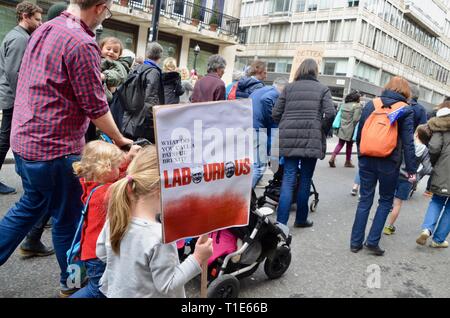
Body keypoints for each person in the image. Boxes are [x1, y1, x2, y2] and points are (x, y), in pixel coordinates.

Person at [0, 0, 133, 298]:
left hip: (25, 141)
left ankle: (67, 278)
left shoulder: (45, 28)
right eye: (108, 11)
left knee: (29, 206)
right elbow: (96, 106)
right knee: (69, 222)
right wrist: (121, 140)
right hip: (55, 148)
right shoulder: (82, 42)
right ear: (99, 7)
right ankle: (71, 284)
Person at [96, 146, 213, 297]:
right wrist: (197, 258)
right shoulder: (160, 236)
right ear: (161, 189)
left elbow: (101, 252)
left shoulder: (117, 217)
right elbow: (168, 285)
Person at [350, 76, 416, 256]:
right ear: (405, 92)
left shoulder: (372, 104)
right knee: (385, 201)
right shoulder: (405, 110)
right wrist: (411, 169)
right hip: (389, 161)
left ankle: (355, 243)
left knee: (365, 199)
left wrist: (361, 153)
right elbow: (408, 143)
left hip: (367, 158)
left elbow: (360, 132)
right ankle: (372, 241)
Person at [70, 141, 140, 298]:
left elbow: (116, 178)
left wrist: (127, 158)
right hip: (98, 256)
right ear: (104, 170)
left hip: (90, 251)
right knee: (98, 291)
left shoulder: (92, 183)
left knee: (101, 289)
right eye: (116, 166)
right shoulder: (106, 194)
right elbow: (128, 184)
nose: (119, 169)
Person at [272, 59, 335, 227]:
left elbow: (275, 112)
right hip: (311, 137)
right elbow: (330, 113)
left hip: (289, 137)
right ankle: (300, 219)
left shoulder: (288, 88)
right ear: (315, 71)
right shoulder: (323, 89)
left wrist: (285, 125)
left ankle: (281, 223)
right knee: (305, 179)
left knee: (288, 178)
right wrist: (320, 128)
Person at [0, 2, 43, 195]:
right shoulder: (20, 39)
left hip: (10, 96)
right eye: (37, 19)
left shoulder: (17, 36)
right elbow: (14, 72)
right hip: (12, 98)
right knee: (5, 140)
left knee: (6, 138)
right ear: (25, 16)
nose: (40, 23)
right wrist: (23, 100)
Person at [383, 125, 433, 235]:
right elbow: (428, 168)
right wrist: (417, 176)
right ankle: (389, 227)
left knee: (386, 200)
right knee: (397, 204)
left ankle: (379, 222)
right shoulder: (424, 150)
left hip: (394, 174)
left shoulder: (406, 143)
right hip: (408, 179)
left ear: (416, 134)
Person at [416, 101, 450, 248]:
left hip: (443, 169)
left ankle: (427, 229)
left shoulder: (439, 127)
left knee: (436, 200)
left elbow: (434, 148)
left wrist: (435, 163)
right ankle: (438, 240)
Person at [251, 77, 288, 188]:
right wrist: (273, 119)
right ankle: (245, 198)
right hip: (258, 129)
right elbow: (265, 99)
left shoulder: (262, 89)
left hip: (249, 125)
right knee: (259, 167)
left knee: (253, 165)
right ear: (283, 89)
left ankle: (246, 195)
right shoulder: (275, 93)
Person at [128, 42, 165, 143]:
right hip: (142, 119)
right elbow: (151, 98)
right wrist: (151, 120)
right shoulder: (153, 72)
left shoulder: (138, 68)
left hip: (132, 113)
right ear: (160, 56)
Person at [329, 91, 362, 168]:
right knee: (349, 145)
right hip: (350, 129)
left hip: (342, 127)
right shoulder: (357, 106)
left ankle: (332, 157)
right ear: (356, 98)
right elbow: (356, 119)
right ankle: (347, 162)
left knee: (340, 144)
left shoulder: (344, 105)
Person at [99, 37, 131, 103]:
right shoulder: (95, 59)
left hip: (105, 98)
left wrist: (105, 76)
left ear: (119, 55)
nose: (111, 52)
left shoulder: (117, 64)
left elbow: (119, 75)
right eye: (108, 49)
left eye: (115, 51)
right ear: (101, 49)